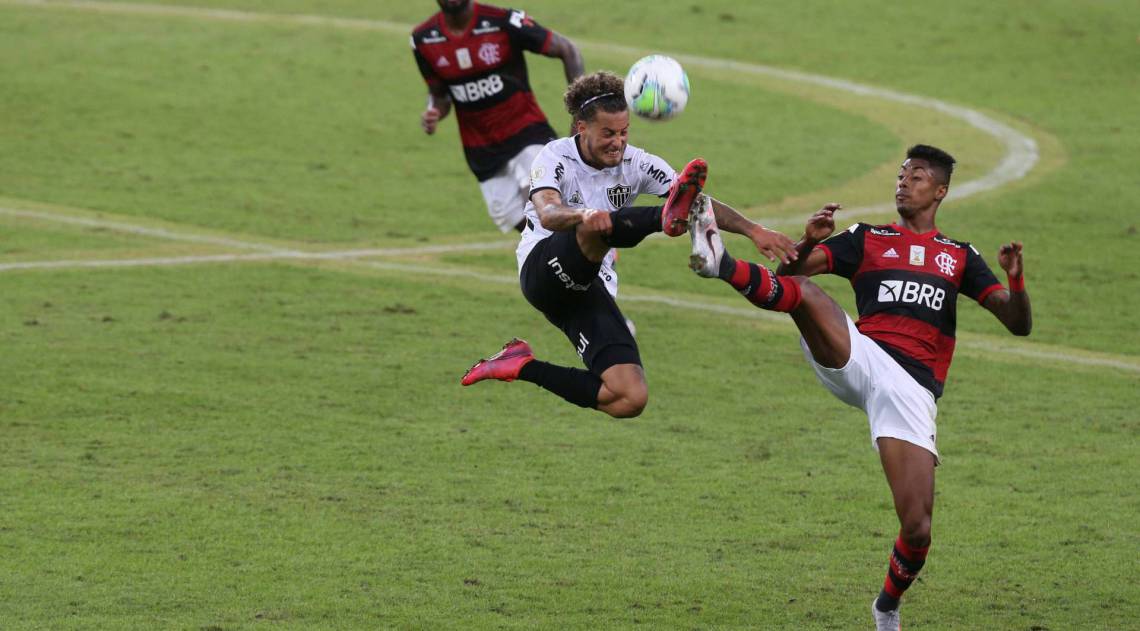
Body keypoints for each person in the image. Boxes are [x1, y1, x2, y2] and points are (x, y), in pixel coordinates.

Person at [686, 144, 1032, 630]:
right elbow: (789, 279)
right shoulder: (866, 238)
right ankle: (718, 261)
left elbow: (1017, 324)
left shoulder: (959, 258)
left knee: (918, 529)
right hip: (860, 356)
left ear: (939, 191)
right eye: (900, 174)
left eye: (916, 177)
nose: (903, 182)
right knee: (805, 294)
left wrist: (1016, 282)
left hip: (911, 389)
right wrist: (807, 242)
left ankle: (886, 608)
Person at [460, 71, 796, 417]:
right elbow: (547, 211)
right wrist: (583, 215)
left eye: (623, 132)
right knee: (596, 227)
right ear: (581, 128)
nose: (617, 142)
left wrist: (754, 230)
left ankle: (519, 364)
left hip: (589, 290)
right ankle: (661, 219)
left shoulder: (638, 163)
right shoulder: (555, 156)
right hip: (544, 270)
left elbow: (696, 199)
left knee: (627, 398)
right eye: (607, 133)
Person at [411, 0, 584, 233]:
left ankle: (592, 250)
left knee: (538, 201)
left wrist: (580, 108)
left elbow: (566, 48)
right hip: (481, 149)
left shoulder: (503, 22)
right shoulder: (423, 39)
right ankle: (584, 239)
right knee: (514, 218)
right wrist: (433, 112)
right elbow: (439, 95)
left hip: (526, 132)